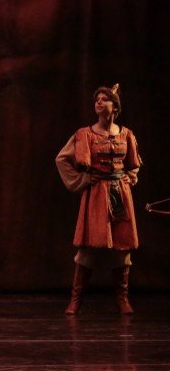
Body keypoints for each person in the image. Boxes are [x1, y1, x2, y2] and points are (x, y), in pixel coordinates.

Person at [56, 83, 141, 315]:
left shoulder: (126, 135)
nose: (99, 102)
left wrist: (130, 177)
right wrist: (82, 180)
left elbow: (134, 164)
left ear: (115, 107)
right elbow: (62, 159)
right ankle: (76, 299)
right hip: (96, 195)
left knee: (122, 247)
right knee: (87, 249)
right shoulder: (85, 134)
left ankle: (122, 298)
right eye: (97, 99)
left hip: (120, 194)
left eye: (105, 99)